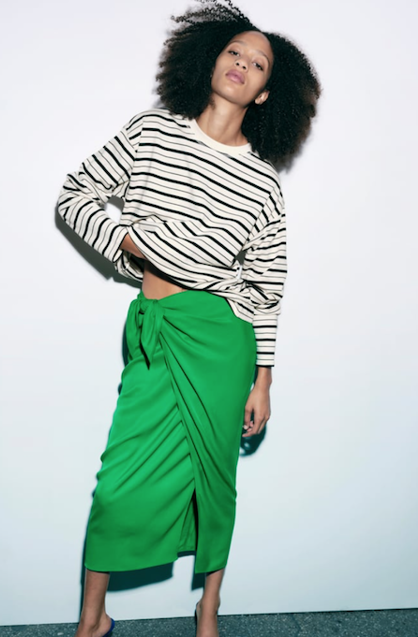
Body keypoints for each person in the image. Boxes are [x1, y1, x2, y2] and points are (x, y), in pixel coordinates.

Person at [56, 1, 321, 636]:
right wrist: (129, 242)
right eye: (235, 52)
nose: (243, 65)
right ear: (209, 59)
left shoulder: (263, 184)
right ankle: (92, 620)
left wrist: (264, 379)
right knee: (119, 480)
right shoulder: (152, 132)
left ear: (266, 93)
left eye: (259, 64)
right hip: (157, 325)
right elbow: (75, 195)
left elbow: (265, 291)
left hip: (222, 340)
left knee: (215, 476)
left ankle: (209, 607)